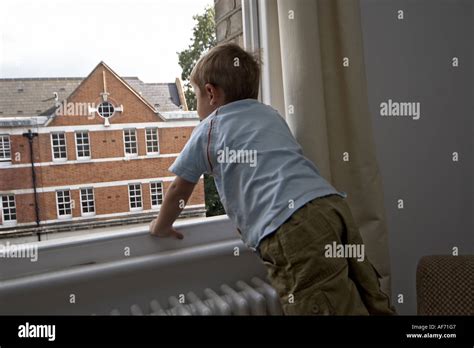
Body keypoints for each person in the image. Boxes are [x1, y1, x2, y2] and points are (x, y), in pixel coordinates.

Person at [149, 43, 396, 316]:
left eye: (195, 94)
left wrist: (161, 226)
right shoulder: (270, 115)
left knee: (319, 304)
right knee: (369, 292)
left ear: (210, 93)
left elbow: (178, 189)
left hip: (294, 227)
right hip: (331, 206)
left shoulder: (209, 128)